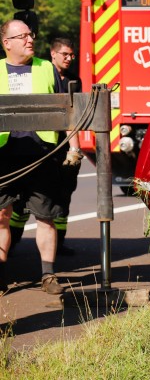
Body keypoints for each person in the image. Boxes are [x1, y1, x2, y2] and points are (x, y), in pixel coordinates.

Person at [0, 20, 83, 295]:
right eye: (22, 36)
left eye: (30, 34)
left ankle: (48, 275)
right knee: (2, 215)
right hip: (5, 155)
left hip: (41, 153)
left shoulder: (46, 68)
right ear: (7, 43)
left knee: (45, 217)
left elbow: (66, 109)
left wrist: (73, 146)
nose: (29, 40)